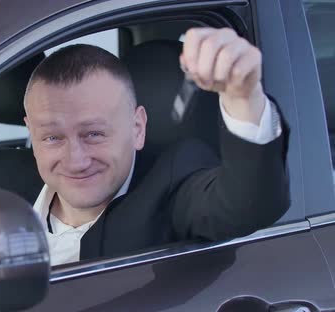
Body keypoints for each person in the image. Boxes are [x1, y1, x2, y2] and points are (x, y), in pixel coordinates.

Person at [23, 27, 289, 266]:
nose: (75, 161)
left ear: (137, 128)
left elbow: (247, 204)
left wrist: (244, 96)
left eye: (94, 134)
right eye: (52, 138)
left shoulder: (171, 184)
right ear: (31, 133)